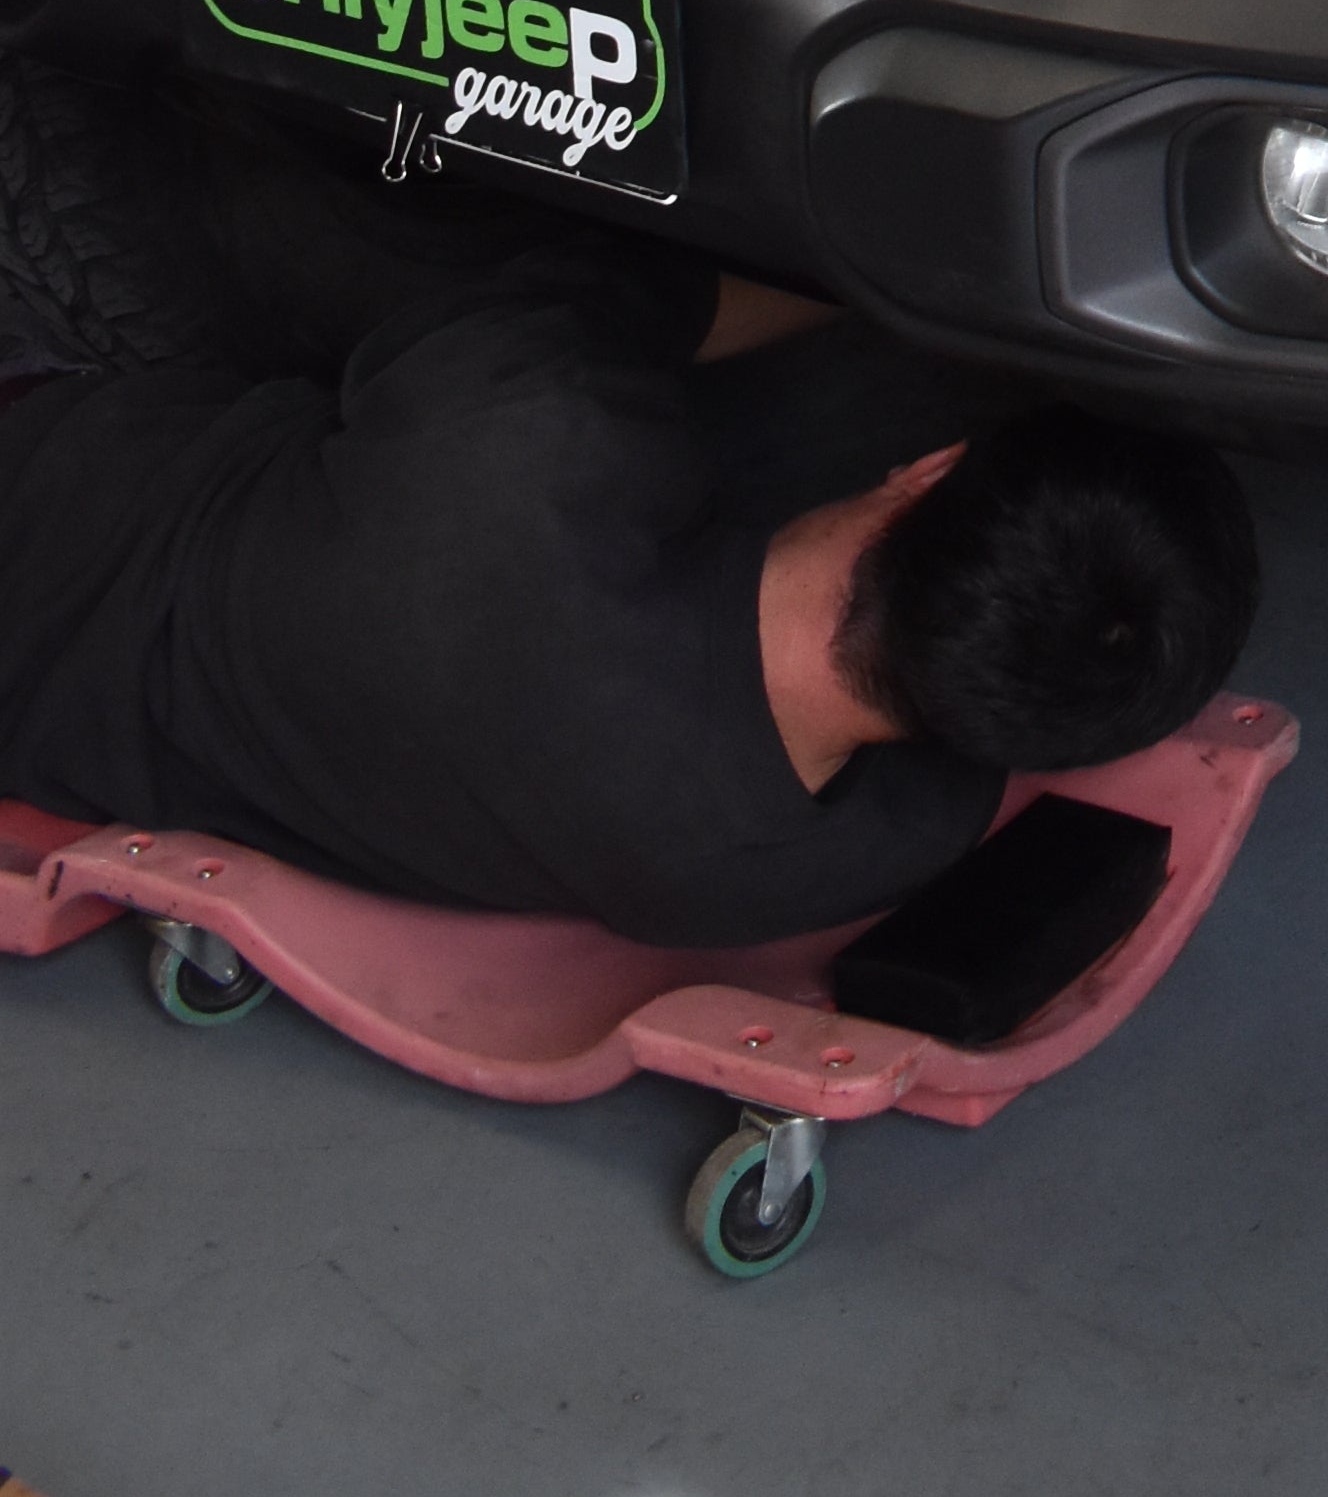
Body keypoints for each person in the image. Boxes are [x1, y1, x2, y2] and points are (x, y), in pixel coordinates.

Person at [0, 70, 1258, 946]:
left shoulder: (528, 461)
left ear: (928, 471)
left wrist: (883, 293)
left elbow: (551, 298)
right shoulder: (815, 860)